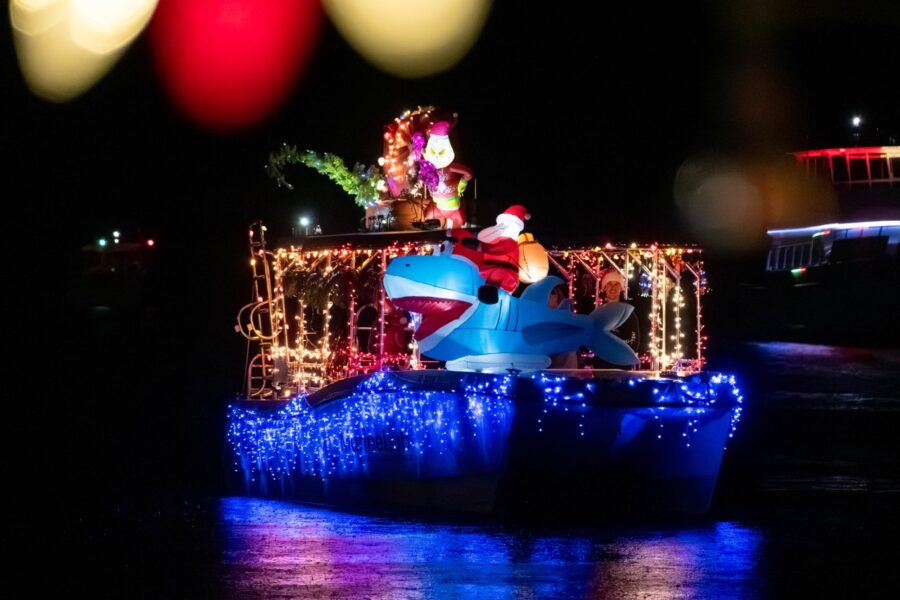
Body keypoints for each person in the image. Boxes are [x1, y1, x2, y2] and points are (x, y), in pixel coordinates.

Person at [588, 270, 641, 368]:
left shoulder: (629, 313)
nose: (613, 288)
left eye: (616, 284)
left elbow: (634, 342)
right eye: (609, 284)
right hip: (601, 367)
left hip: (622, 367)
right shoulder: (598, 313)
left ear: (621, 288)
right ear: (604, 288)